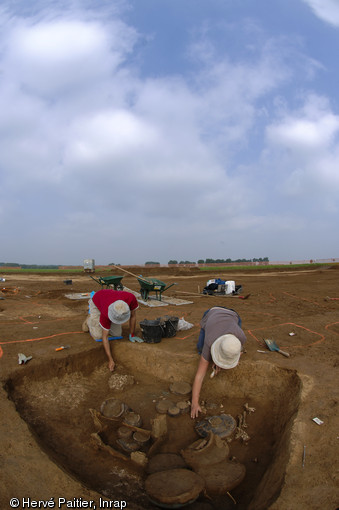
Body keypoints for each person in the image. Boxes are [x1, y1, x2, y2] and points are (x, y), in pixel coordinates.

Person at [190, 306, 247, 419]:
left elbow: (237, 352)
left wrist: (220, 360)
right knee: (200, 349)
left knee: (230, 349)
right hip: (211, 313)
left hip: (233, 314)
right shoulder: (209, 342)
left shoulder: (241, 338)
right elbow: (200, 376)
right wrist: (194, 403)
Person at [82, 289, 143, 372]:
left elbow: (133, 316)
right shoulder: (105, 313)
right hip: (97, 301)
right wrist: (110, 359)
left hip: (108, 300)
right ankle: (89, 321)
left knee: (117, 334)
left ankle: (97, 322)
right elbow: (105, 337)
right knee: (98, 335)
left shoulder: (131, 298)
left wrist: (131, 334)